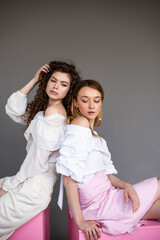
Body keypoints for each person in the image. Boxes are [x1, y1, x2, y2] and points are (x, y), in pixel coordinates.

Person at [56, 80, 160, 240]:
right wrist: (80, 221)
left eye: (96, 100)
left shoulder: (96, 138)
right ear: (75, 103)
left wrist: (127, 185)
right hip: (97, 204)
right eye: (85, 100)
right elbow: (68, 176)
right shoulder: (80, 124)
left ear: (101, 103)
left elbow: (108, 175)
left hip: (109, 197)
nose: (91, 106)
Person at [0, 61, 81, 240]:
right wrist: (35, 79)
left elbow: (37, 162)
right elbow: (13, 111)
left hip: (34, 189)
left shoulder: (55, 115)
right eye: (53, 80)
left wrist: (8, 187)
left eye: (63, 84)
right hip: (29, 181)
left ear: (69, 91)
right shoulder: (45, 111)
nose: (56, 86)